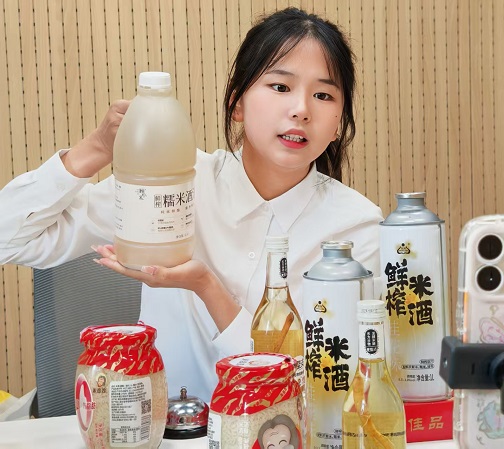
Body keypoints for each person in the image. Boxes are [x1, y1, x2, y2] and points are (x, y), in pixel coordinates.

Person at [0, 7, 382, 402]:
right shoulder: (178, 182)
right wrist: (96, 148)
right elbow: (8, 237)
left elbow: (320, 392)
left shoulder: (357, 228)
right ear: (237, 103)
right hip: (160, 430)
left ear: (338, 124)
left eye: (323, 95)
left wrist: (205, 286)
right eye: (280, 87)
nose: (301, 109)